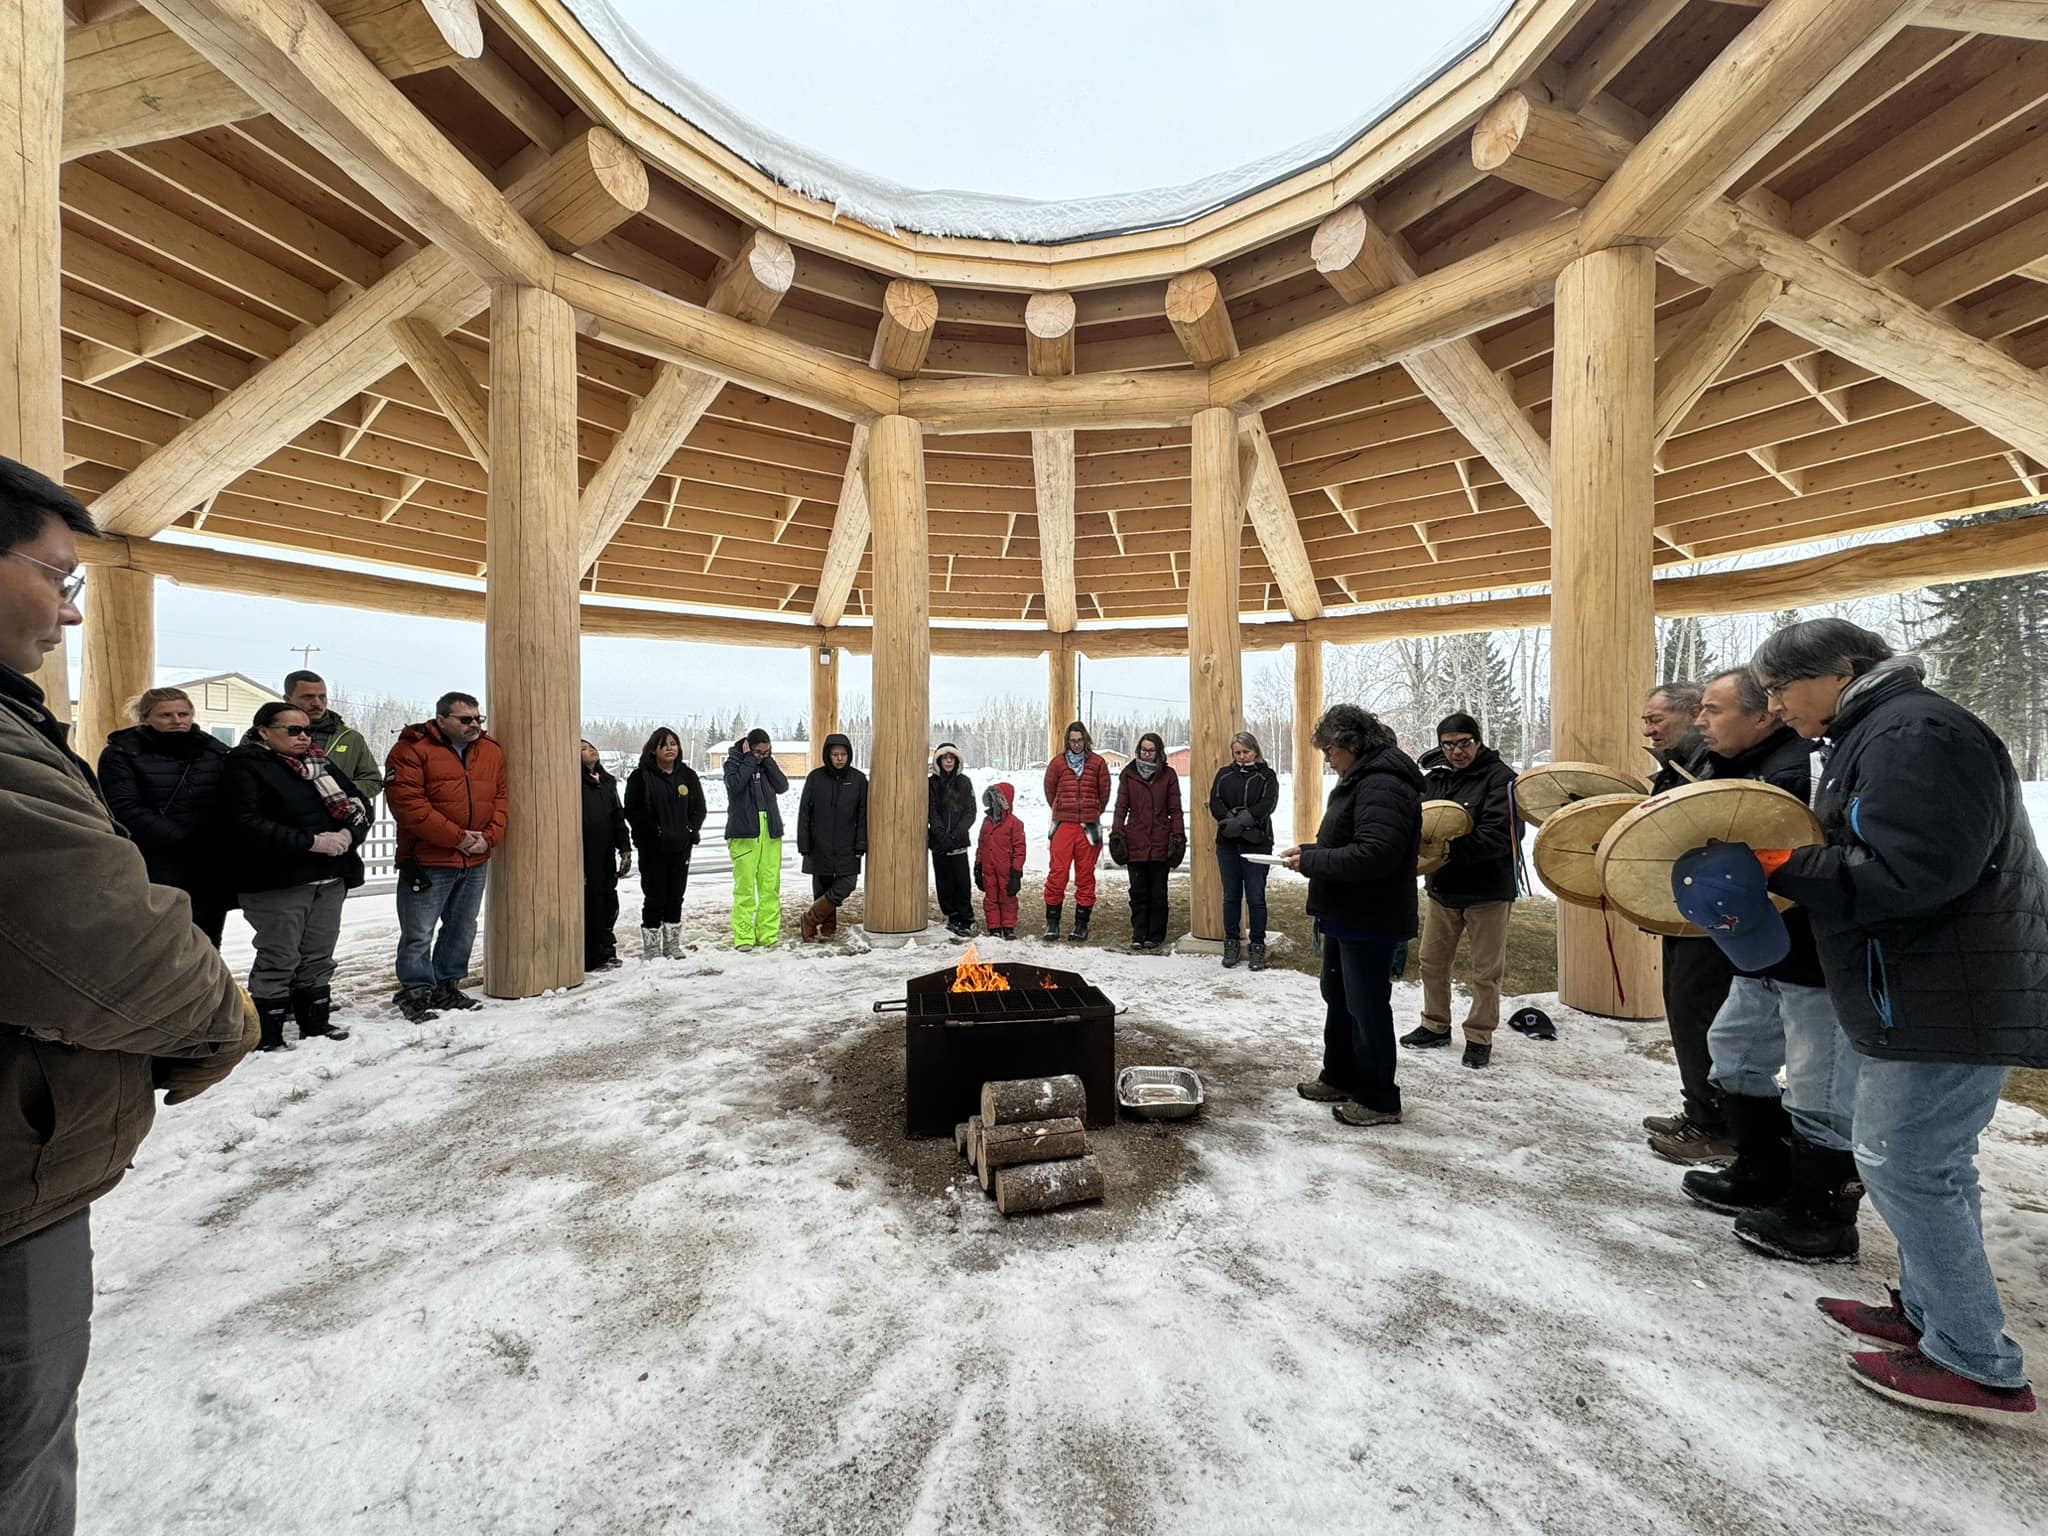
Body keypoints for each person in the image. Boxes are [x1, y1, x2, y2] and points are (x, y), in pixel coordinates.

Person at [1, 456, 258, 1534]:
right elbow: (111, 938)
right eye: (55, 574)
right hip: (14, 1177)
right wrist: (220, 1018)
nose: (68, 607)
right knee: (18, 1453)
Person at [1754, 619, 2042, 1421]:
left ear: (1839, 671)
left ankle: (1977, 1362)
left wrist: (1783, 864)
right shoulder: (1881, 730)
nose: (1774, 707)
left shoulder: (1915, 732)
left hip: (1944, 994)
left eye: (1781, 689)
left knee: (1912, 1165)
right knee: (1914, 1164)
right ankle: (1929, 1314)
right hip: (1918, 989)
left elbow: (1913, 871)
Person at [1675, 668, 1863, 1263]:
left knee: (1822, 1083)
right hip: (1761, 949)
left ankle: (1824, 1213)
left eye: (1713, 709)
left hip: (1814, 954)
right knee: (1734, 1051)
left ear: (1762, 716)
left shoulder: (1797, 771)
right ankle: (1761, 1170)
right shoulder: (1731, 767)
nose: (1700, 720)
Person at [1284, 705, 1423, 1128]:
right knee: (1340, 998)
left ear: (1351, 745)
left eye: (1329, 751)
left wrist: (1313, 863)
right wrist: (1310, 853)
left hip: (1370, 915)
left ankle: (1380, 1097)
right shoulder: (1363, 779)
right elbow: (1353, 841)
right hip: (1346, 912)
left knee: (1366, 1007)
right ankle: (1341, 1074)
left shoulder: (1383, 784)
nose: (1327, 760)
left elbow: (1374, 854)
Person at [222, 701, 372, 1050]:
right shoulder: (244, 765)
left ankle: (315, 1023)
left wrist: (349, 835)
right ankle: (268, 1034)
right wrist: (311, 842)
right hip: (278, 878)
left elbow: (358, 803)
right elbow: (243, 822)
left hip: (330, 875)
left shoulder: (319, 762)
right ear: (264, 731)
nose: (303, 737)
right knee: (280, 956)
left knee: (319, 954)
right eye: (293, 730)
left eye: (307, 730)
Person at [1639, 678, 1737, 1163]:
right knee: (1683, 1008)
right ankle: (1700, 1108)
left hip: (1712, 912)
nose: (1648, 729)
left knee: (1699, 1012)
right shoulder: (1679, 767)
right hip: (1685, 909)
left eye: (1656, 719)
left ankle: (1717, 1123)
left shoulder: (1714, 764)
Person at [1401, 713, 1518, 1069]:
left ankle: (1480, 1035)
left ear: (1477, 741)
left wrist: (1449, 850)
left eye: (1464, 743)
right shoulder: (1435, 778)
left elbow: (1503, 834)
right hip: (1443, 888)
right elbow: (1420, 821)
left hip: (1488, 891)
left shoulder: (1501, 778)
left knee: (1485, 972)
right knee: (1432, 962)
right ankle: (1435, 1024)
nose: (1456, 752)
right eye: (1448, 745)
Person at [384, 692, 506, 1021]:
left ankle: (446, 985)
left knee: (462, 926)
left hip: (475, 859)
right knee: (418, 931)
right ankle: (416, 991)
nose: (474, 725)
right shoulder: (411, 750)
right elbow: (409, 806)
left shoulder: (490, 751)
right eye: (465, 719)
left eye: (478, 719)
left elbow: (501, 797)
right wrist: (458, 838)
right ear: (441, 720)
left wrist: (490, 837)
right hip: (428, 859)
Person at [97, 686, 234, 947]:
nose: (177, 720)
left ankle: (204, 988)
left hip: (209, 862)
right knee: (161, 941)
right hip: (153, 860)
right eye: (166, 715)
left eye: (183, 713)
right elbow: (123, 807)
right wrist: (185, 839)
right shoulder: (122, 753)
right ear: (145, 718)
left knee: (206, 941)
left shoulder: (213, 751)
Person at [623, 727, 705, 960]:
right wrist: (655, 832)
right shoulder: (641, 777)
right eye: (664, 744)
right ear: (653, 749)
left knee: (675, 895)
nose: (670, 748)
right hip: (653, 848)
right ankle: (651, 948)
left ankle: (672, 945)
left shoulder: (687, 775)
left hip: (681, 846)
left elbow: (699, 807)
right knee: (655, 896)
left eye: (673, 743)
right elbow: (634, 811)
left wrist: (690, 830)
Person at [1208, 730, 1280, 970]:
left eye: (1246, 752)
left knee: (1256, 897)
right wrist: (1231, 821)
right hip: (1228, 842)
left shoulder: (1266, 776)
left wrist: (1245, 820)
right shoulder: (1224, 774)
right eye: (1237, 752)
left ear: (1255, 751)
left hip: (1257, 841)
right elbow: (1216, 801)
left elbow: (1267, 803)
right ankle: (1231, 942)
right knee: (1231, 896)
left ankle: (1257, 945)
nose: (1241, 756)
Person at [1111, 732, 1184, 953]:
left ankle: (1156, 934)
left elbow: (1175, 809)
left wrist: (1178, 837)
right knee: (1138, 892)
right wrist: (1117, 834)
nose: (1147, 754)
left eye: (1151, 750)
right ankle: (1139, 932)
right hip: (1135, 839)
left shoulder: (1168, 775)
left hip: (1160, 839)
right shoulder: (1128, 774)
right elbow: (1121, 806)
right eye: (1143, 750)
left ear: (1159, 752)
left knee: (1158, 892)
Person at [1042, 720, 1110, 943]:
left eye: (1080, 740)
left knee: (1085, 875)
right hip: (1064, 823)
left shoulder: (1098, 763)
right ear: (1067, 741)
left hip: (1089, 826)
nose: (1077, 744)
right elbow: (1049, 790)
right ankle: (1052, 922)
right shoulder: (1057, 764)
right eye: (1073, 741)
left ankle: (1081, 925)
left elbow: (1105, 793)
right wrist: (1062, 807)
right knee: (1057, 873)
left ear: (1086, 740)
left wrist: (1091, 810)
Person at [797, 733, 868, 941]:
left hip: (848, 844)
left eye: (843, 754)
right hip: (819, 843)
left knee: (847, 883)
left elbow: (864, 813)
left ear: (849, 755)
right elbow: (804, 813)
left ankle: (809, 919)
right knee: (822, 888)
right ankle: (827, 929)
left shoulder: (858, 779)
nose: (839, 758)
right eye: (835, 754)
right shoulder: (815, 778)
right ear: (827, 755)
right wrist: (804, 842)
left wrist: (861, 842)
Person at [283, 670, 384, 815]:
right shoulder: (265, 736)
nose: (317, 703)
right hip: (280, 826)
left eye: (322, 696)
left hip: (336, 826)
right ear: (288, 699)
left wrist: (335, 791)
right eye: (308, 697)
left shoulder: (350, 738)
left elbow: (373, 780)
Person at [724, 728, 788, 949]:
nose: (762, 755)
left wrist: (767, 762)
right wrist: (749, 760)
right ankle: (743, 936)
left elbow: (783, 785)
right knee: (745, 888)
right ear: (747, 748)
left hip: (770, 829)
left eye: (766, 752)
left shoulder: (767, 764)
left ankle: (768, 934)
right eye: (758, 752)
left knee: (770, 885)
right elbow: (735, 786)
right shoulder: (733, 763)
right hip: (744, 832)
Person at [580, 740, 632, 971]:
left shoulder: (608, 782)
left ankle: (607, 948)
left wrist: (625, 847)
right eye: (582, 749)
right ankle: (590, 955)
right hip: (585, 851)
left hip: (606, 851)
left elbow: (618, 817)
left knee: (609, 901)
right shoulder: (574, 784)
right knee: (591, 902)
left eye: (591, 747)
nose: (590, 750)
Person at [927, 743, 978, 939]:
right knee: (944, 882)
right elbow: (931, 811)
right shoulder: (931, 783)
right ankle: (952, 916)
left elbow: (970, 812)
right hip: (939, 843)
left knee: (962, 882)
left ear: (957, 760)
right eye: (944, 757)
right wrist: (941, 835)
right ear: (938, 761)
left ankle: (966, 917)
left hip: (958, 843)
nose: (948, 761)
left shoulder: (965, 782)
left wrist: (956, 834)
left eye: (952, 757)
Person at [975, 780, 1027, 939]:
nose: (994, 803)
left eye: (998, 799)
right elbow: (981, 843)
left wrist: (1016, 871)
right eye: (992, 799)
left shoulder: (1015, 824)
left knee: (1008, 898)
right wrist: (978, 866)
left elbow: (1020, 849)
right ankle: (994, 927)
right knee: (991, 898)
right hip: (988, 868)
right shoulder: (986, 822)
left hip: (1007, 869)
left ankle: (1008, 926)